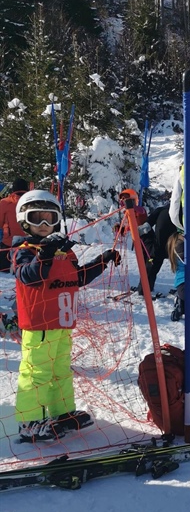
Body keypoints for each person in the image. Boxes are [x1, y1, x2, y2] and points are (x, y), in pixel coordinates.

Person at [11, 189, 121, 443]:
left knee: (60, 370)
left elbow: (77, 277)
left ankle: (62, 413)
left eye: (49, 218)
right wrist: (45, 255)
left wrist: (102, 261)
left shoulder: (64, 252)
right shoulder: (22, 252)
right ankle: (30, 422)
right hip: (39, 326)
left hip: (61, 324)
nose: (44, 225)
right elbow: (29, 276)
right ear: (25, 221)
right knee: (36, 373)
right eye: (37, 218)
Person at [137, 204, 177, 295]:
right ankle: (144, 288)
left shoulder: (162, 210)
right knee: (153, 263)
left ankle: (144, 288)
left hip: (163, 247)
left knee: (153, 262)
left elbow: (147, 225)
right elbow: (147, 224)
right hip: (163, 247)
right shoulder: (163, 210)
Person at [0, 178, 29, 272]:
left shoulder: (4, 202)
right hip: (29, 242)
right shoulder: (32, 201)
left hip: (9, 242)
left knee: (3, 269)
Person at [167, 231, 185, 321]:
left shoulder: (180, 243)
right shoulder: (179, 245)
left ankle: (181, 303)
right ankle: (180, 304)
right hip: (184, 282)